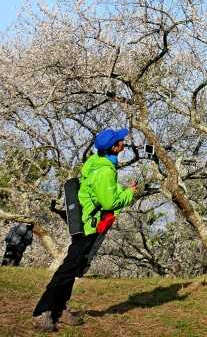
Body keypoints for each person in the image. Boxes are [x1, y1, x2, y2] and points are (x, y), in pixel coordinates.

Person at [31, 127, 137, 333]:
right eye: (120, 141)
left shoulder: (94, 162)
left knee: (75, 265)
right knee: (69, 267)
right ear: (114, 147)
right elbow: (109, 202)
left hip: (82, 219)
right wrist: (129, 193)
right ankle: (41, 312)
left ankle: (59, 308)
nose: (124, 142)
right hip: (90, 225)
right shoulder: (105, 171)